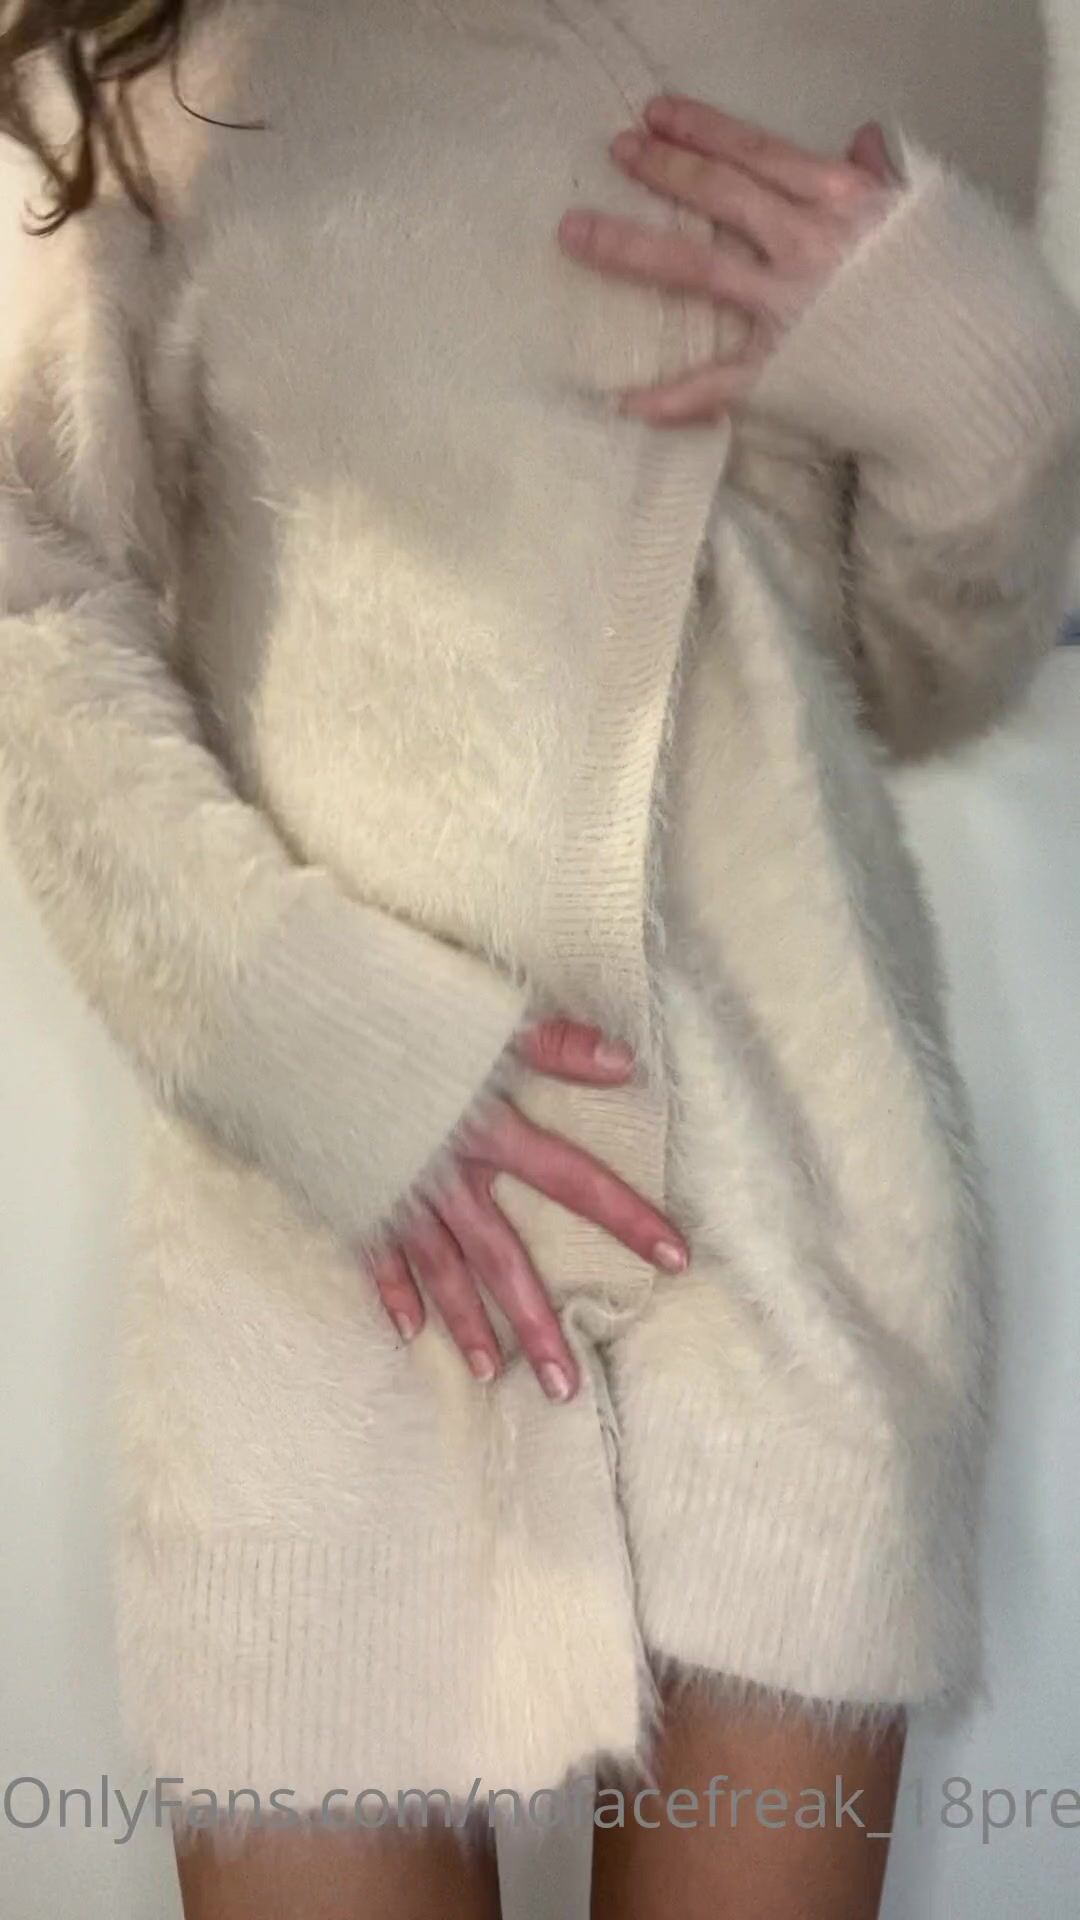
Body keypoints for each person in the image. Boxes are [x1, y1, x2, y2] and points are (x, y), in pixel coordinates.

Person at [2, 2, 1079, 1916]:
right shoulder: (143, 48)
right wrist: (312, 1042)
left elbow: (919, 674)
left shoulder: (927, 23)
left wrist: (981, 378)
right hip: (327, 1239)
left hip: (782, 1231)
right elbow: (29, 607)